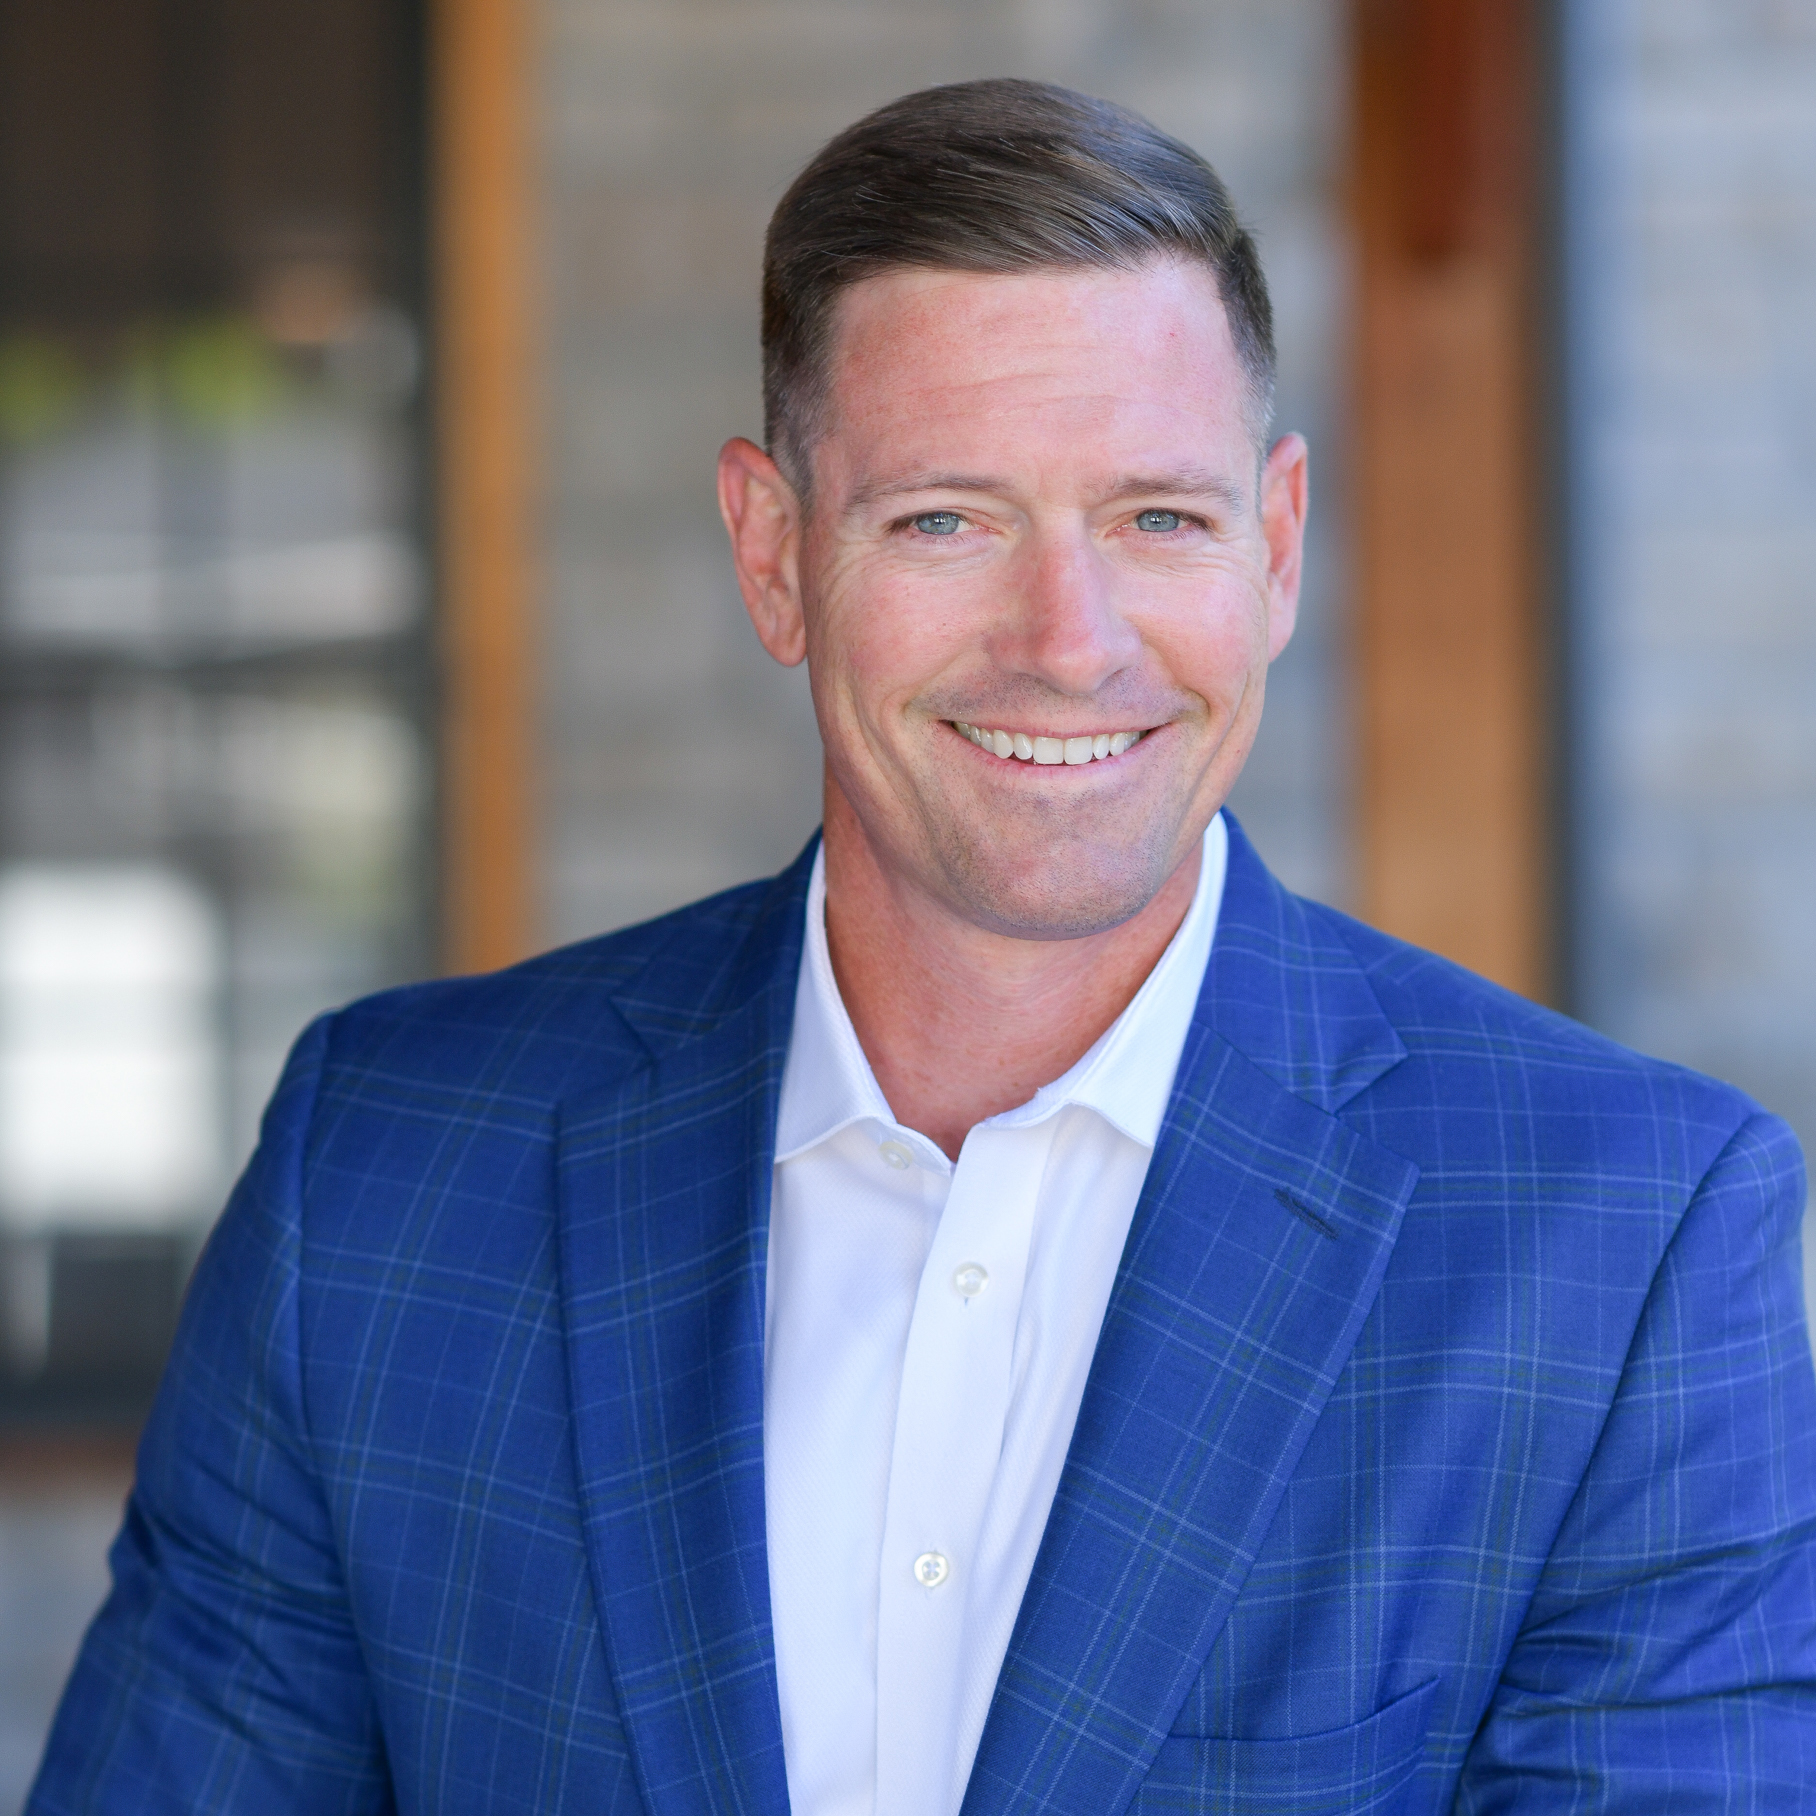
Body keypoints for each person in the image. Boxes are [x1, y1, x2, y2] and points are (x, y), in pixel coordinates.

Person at [29, 78, 1816, 1816]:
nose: (1069, 639)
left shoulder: (1628, 1236)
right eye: (946, 519)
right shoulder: (386, 1172)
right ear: (776, 552)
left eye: (1158, 520)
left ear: (1274, 548)